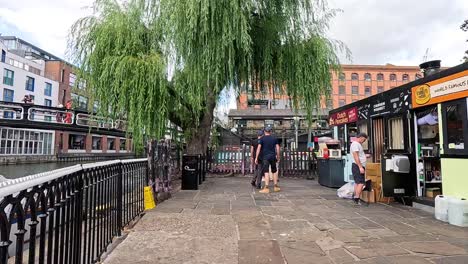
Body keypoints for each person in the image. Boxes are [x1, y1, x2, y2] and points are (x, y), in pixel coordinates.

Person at [255, 126, 280, 193]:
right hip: (273, 157)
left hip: (265, 157)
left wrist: (256, 157)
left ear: (264, 131)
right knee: (274, 171)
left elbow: (259, 148)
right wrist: (278, 156)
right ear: (270, 131)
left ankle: (266, 188)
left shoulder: (262, 139)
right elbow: (277, 148)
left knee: (266, 172)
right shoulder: (274, 138)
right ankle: (276, 186)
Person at [350, 132, 368, 205]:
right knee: (361, 182)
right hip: (357, 166)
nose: (364, 141)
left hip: (357, 165)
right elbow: (356, 156)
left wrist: (365, 156)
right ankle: (356, 198)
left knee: (357, 182)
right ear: (361, 137)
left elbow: (358, 155)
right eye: (364, 140)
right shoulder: (355, 144)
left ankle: (355, 197)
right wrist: (360, 167)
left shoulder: (356, 144)